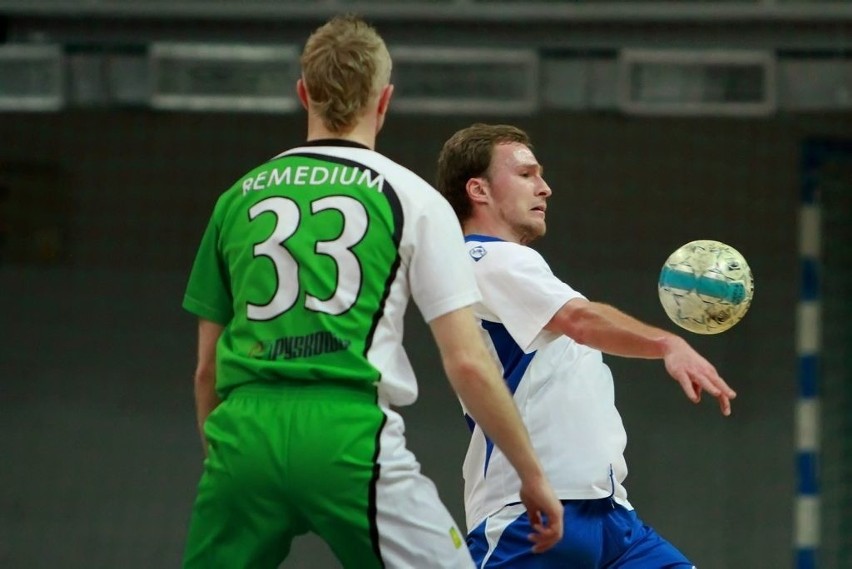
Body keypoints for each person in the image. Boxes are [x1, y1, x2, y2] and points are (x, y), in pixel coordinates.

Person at [181, 17, 563, 569]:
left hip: (243, 434)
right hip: (347, 434)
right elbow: (469, 363)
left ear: (303, 94)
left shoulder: (236, 199)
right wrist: (531, 474)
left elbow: (205, 371)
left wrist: (228, 464)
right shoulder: (414, 198)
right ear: (384, 101)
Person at [435, 123, 738, 568]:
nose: (545, 187)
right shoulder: (483, 257)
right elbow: (579, 319)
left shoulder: (521, 270)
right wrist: (667, 343)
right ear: (478, 189)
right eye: (526, 174)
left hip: (612, 516)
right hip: (531, 517)